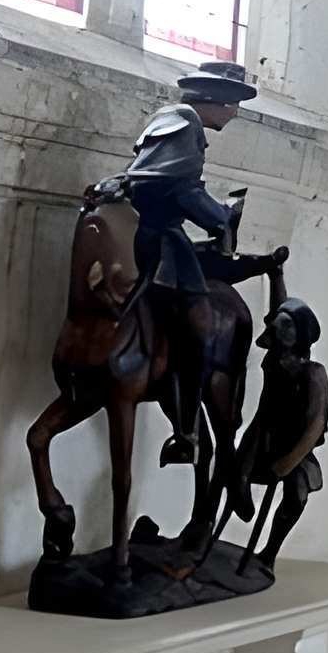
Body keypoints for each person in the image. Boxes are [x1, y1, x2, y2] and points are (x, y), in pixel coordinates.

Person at [123, 60, 259, 466]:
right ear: (216, 100)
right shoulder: (186, 125)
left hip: (151, 231)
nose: (234, 113)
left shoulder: (169, 119)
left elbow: (141, 176)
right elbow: (181, 191)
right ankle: (185, 428)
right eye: (233, 104)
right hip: (164, 241)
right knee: (198, 325)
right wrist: (221, 218)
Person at [236, 298, 328, 571]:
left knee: (297, 492)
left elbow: (315, 425)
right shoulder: (273, 364)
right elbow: (279, 304)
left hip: (294, 449)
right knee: (232, 470)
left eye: (285, 327)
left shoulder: (313, 374)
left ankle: (269, 552)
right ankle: (234, 501)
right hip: (263, 439)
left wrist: (288, 462)